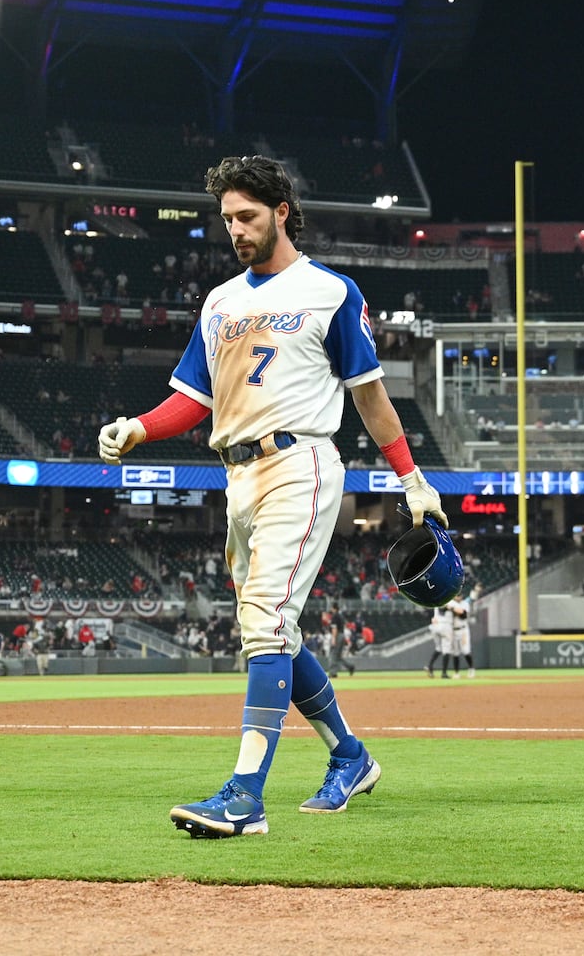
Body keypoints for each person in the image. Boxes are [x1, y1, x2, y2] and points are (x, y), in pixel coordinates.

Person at [97, 154, 446, 839]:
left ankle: (244, 796)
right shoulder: (220, 302)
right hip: (236, 477)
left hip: (302, 461)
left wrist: (412, 480)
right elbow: (191, 400)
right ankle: (349, 755)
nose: (236, 230)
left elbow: (370, 395)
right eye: (227, 219)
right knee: (273, 630)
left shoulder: (330, 292)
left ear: (281, 211)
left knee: (263, 620)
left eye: (248, 216)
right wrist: (138, 427)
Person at [448, 584, 477, 679]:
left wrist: (454, 609)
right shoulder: (451, 602)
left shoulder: (465, 603)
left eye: (459, 595)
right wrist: (455, 609)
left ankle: (471, 669)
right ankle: (456, 673)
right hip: (453, 630)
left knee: (466, 650)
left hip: (463, 630)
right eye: (456, 595)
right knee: (455, 652)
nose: (458, 597)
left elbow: (463, 615)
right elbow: (445, 608)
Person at [426, 598, 454, 678]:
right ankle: (444, 673)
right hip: (445, 626)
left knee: (438, 648)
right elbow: (443, 608)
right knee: (446, 650)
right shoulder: (449, 600)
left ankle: (430, 666)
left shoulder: (437, 598)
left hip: (435, 625)